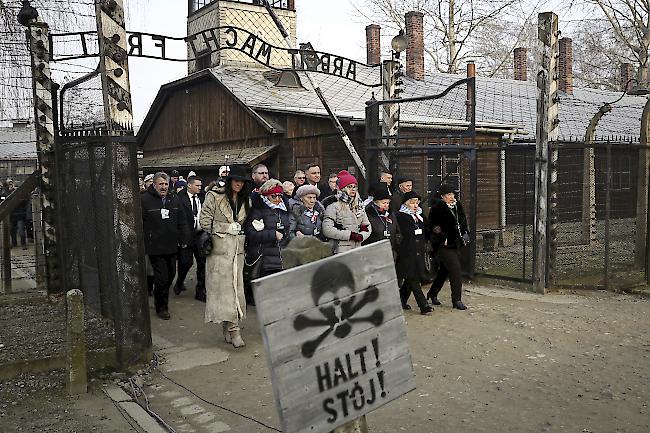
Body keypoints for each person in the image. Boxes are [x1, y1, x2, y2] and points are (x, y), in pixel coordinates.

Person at [199, 165, 251, 347]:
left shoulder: (246, 200)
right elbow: (204, 222)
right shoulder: (214, 196)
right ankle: (234, 330)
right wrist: (226, 228)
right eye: (236, 180)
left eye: (242, 182)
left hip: (237, 251)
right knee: (225, 292)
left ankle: (228, 326)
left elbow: (246, 222)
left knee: (236, 290)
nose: (239, 184)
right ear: (230, 181)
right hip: (219, 251)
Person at [141, 172, 190, 320]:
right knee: (162, 277)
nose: (163, 187)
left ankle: (159, 292)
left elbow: (182, 220)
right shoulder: (144, 200)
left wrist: (184, 238)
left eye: (166, 184)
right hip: (155, 246)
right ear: (154, 185)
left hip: (171, 245)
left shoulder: (174, 199)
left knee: (170, 275)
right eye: (160, 184)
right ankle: (162, 307)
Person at [427, 183, 469, 310]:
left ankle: (432, 293)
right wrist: (442, 238)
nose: (451, 197)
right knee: (455, 270)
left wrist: (465, 232)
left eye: (452, 194)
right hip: (443, 246)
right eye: (448, 195)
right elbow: (433, 226)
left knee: (444, 271)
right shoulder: (437, 208)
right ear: (442, 196)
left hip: (456, 242)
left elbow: (463, 221)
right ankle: (456, 300)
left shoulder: (457, 206)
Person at [244, 179, 291, 278]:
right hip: (264, 258)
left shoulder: (284, 210)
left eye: (280, 196)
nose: (277, 199)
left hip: (282, 257)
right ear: (266, 196)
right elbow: (251, 233)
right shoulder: (258, 210)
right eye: (273, 196)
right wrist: (273, 234)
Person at [395, 191, 433, 315]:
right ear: (406, 204)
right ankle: (424, 306)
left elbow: (426, 230)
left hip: (419, 252)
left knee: (410, 279)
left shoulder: (420, 215)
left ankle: (401, 299)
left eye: (417, 202)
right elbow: (399, 234)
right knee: (413, 278)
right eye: (412, 203)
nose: (415, 205)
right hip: (407, 252)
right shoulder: (401, 216)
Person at [322, 170, 371, 254]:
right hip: (340, 250)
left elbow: (367, 225)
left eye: (354, 186)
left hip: (357, 248)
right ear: (343, 188)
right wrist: (350, 235)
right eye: (349, 187)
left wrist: (362, 235)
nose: (353, 189)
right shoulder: (334, 206)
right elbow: (327, 229)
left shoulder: (359, 206)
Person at [175, 176, 207, 302]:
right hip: (186, 235)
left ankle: (200, 291)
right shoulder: (179, 198)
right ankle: (179, 281)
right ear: (189, 185)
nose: (200, 188)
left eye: (200, 185)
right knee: (186, 262)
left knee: (202, 262)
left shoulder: (202, 197)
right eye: (197, 185)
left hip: (200, 235)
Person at [363, 183, 399, 254]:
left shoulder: (391, 215)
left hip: (390, 250)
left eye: (388, 203)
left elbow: (397, 232)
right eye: (384, 203)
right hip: (374, 251)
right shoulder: (368, 215)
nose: (386, 205)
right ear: (376, 203)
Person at [7, 179, 29, 248]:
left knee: (21, 230)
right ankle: (14, 243)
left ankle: (23, 244)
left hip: (20, 215)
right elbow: (5, 199)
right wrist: (10, 191)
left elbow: (25, 202)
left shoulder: (23, 194)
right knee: (12, 231)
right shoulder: (10, 193)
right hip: (13, 215)